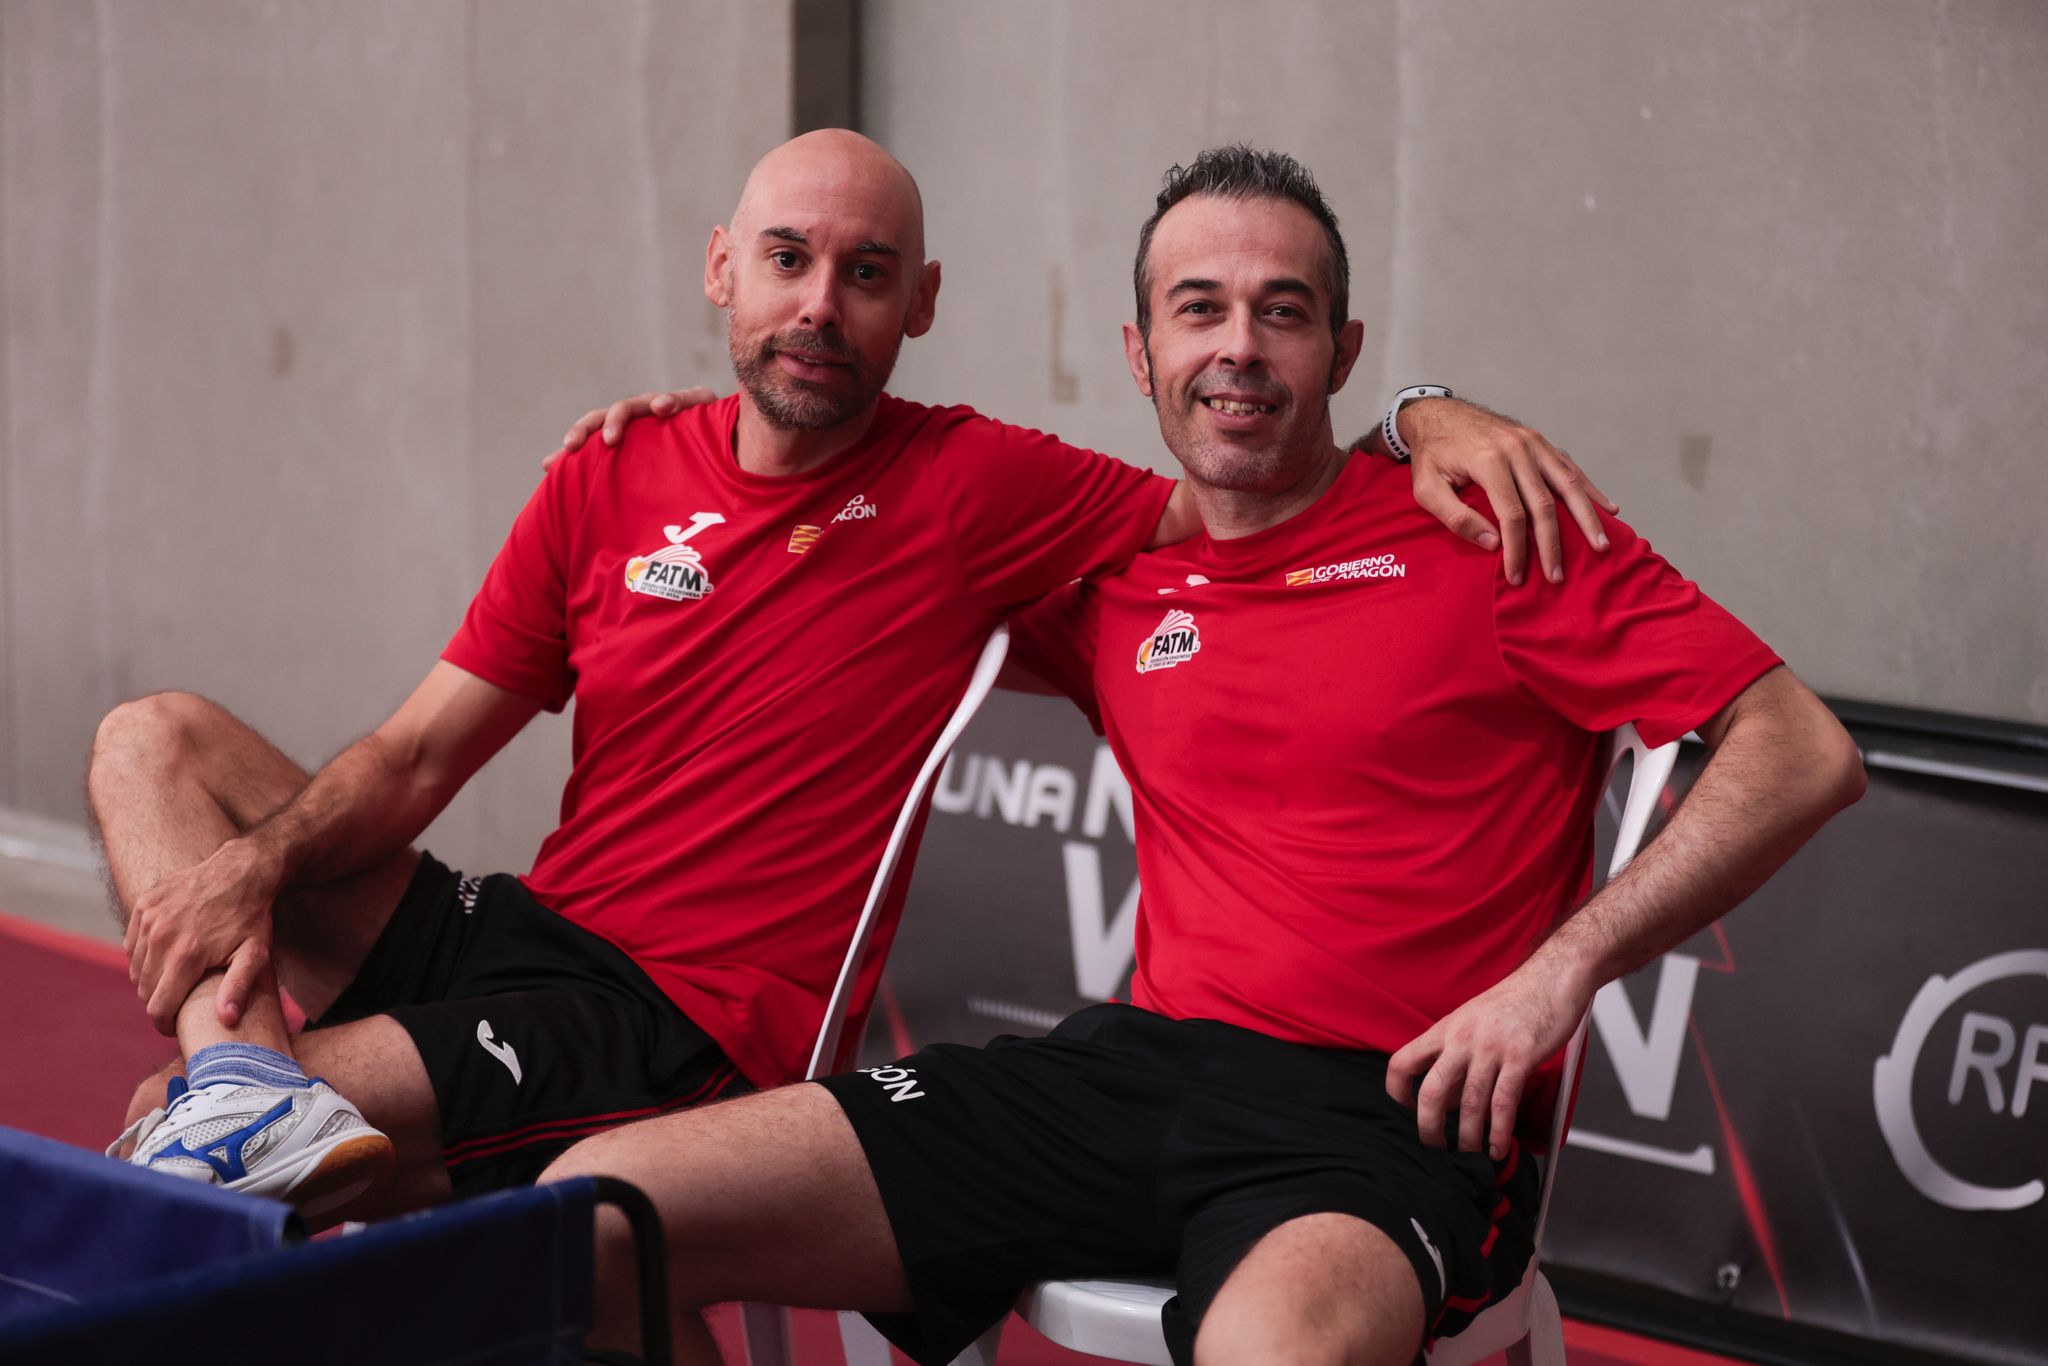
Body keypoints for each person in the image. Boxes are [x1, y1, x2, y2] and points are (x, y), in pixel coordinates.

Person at [90, 129, 1600, 1218]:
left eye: (865, 274)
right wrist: (258, 867)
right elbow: (418, 758)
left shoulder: (975, 486)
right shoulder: (609, 470)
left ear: (919, 302)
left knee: (200, 1145)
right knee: (151, 744)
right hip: (523, 930)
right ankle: (243, 1085)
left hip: (683, 1021)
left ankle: (246, 1111)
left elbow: (1252, 472)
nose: (820, 303)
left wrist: (1418, 411)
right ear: (722, 270)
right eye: (788, 262)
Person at [541, 145, 1865, 1366]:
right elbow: (830, 508)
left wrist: (1559, 972)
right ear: (1141, 352)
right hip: (1128, 1074)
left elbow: (1801, 749)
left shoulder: (1492, 531)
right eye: (1199, 309)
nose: (1238, 346)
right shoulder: (1115, 579)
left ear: (1343, 350)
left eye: (1282, 311)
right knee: (593, 1216)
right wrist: (712, 439)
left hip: (1386, 1116)